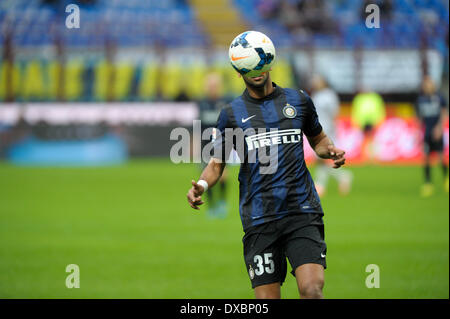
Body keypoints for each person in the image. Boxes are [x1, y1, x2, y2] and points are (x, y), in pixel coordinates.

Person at [186, 32, 346, 299]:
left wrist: (328, 151)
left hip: (301, 210)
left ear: (269, 62)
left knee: (312, 289)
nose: (256, 72)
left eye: (260, 65)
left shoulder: (299, 101)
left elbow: (318, 139)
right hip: (259, 218)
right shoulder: (231, 114)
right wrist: (201, 185)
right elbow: (216, 164)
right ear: (239, 72)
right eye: (249, 68)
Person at [310, 74, 353, 196]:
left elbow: (334, 113)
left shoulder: (329, 95)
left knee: (321, 158)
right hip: (316, 129)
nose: (315, 83)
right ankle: (340, 178)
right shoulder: (316, 95)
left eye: (318, 81)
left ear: (324, 82)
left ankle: (321, 184)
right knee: (320, 159)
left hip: (327, 129)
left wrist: (334, 129)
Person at [197, 72, 229, 218]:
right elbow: (198, 126)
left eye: (215, 85)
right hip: (206, 146)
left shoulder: (224, 103)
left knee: (223, 175)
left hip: (222, 145)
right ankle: (211, 207)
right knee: (205, 177)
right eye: (210, 86)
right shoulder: (202, 104)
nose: (212, 88)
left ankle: (222, 202)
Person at [415, 75, 449, 196]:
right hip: (427, 133)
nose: (427, 86)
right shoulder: (420, 100)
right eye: (425, 85)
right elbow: (419, 118)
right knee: (426, 159)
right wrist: (417, 132)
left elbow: (444, 113)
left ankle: (446, 179)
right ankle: (428, 183)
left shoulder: (439, 98)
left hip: (437, 132)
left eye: (429, 84)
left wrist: (440, 128)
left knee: (441, 157)